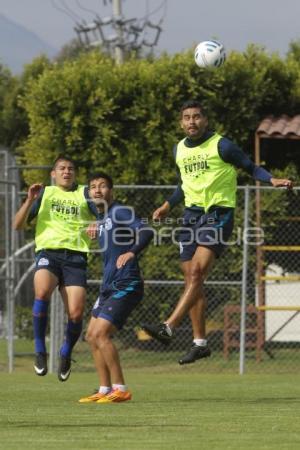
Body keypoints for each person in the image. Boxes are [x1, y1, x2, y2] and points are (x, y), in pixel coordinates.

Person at [142, 100, 293, 365]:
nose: (192, 122)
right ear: (181, 123)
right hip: (190, 217)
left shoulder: (221, 145)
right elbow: (184, 184)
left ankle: (168, 326)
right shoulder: (179, 149)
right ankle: (200, 343)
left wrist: (272, 179)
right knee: (191, 278)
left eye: (197, 117)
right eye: (187, 117)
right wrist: (167, 205)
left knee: (198, 273)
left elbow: (250, 166)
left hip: (217, 215)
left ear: (205, 120)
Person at [13, 155, 95, 381]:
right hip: (49, 253)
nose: (67, 172)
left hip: (76, 257)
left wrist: (97, 222)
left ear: (75, 173)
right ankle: (40, 350)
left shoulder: (85, 193)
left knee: (76, 314)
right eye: (62, 168)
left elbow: (104, 217)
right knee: (41, 292)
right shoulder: (45, 194)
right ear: (53, 173)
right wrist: (29, 200)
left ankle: (65, 353)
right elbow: (17, 225)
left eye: (70, 168)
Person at [79, 172, 153, 404]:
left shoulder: (119, 211)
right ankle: (104, 389)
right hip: (108, 286)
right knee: (91, 336)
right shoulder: (103, 217)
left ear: (112, 191)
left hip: (126, 283)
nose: (98, 190)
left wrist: (132, 251)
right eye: (93, 187)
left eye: (102, 186)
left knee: (101, 334)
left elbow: (147, 230)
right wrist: (96, 226)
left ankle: (121, 389)